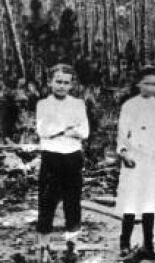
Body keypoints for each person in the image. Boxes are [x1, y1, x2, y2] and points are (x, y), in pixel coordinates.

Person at [35, 64, 89, 263]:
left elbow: (85, 132)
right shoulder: (43, 104)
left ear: (72, 85)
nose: (62, 86)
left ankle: (72, 246)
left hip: (72, 157)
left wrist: (58, 129)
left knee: (72, 204)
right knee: (47, 203)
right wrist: (68, 128)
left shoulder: (78, 104)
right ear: (50, 82)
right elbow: (43, 131)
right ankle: (43, 247)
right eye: (58, 81)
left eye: (66, 82)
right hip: (51, 157)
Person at [117, 66, 155, 260]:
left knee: (150, 202)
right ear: (138, 84)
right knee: (130, 202)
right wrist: (124, 153)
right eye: (147, 83)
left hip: (153, 159)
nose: (150, 87)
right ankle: (125, 243)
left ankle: (148, 244)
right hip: (134, 158)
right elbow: (122, 133)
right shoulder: (129, 106)